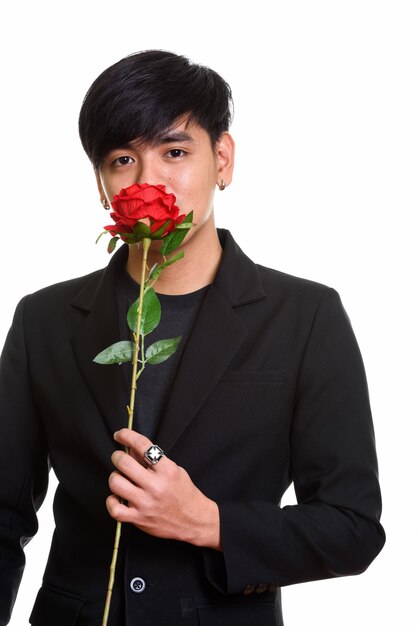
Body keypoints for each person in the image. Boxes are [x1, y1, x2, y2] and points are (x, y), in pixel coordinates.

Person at [0, 50, 385, 626]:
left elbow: (352, 528)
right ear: (102, 185)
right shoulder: (45, 319)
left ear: (222, 159)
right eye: (122, 159)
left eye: (175, 152)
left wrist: (208, 522)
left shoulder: (306, 316)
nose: (149, 179)